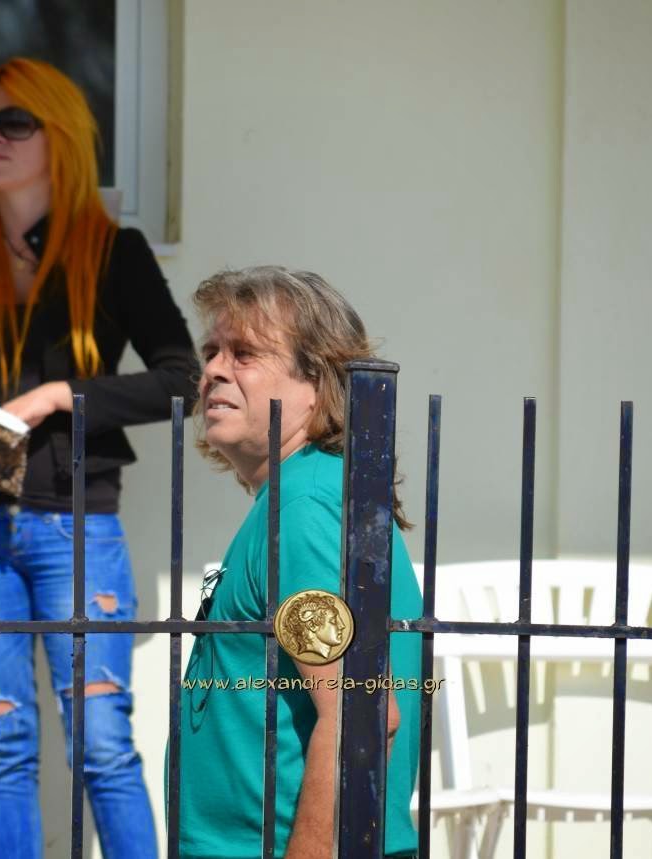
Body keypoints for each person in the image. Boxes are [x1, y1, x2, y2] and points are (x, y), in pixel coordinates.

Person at [0, 57, 196, 859]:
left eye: (13, 122)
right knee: (2, 746)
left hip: (76, 528)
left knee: (101, 744)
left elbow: (181, 380)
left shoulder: (114, 253)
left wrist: (60, 394)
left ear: (58, 136)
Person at [176, 266, 423, 858]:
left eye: (244, 354)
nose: (213, 371)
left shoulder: (303, 507)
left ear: (317, 383)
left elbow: (361, 713)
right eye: (211, 352)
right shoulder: (298, 496)